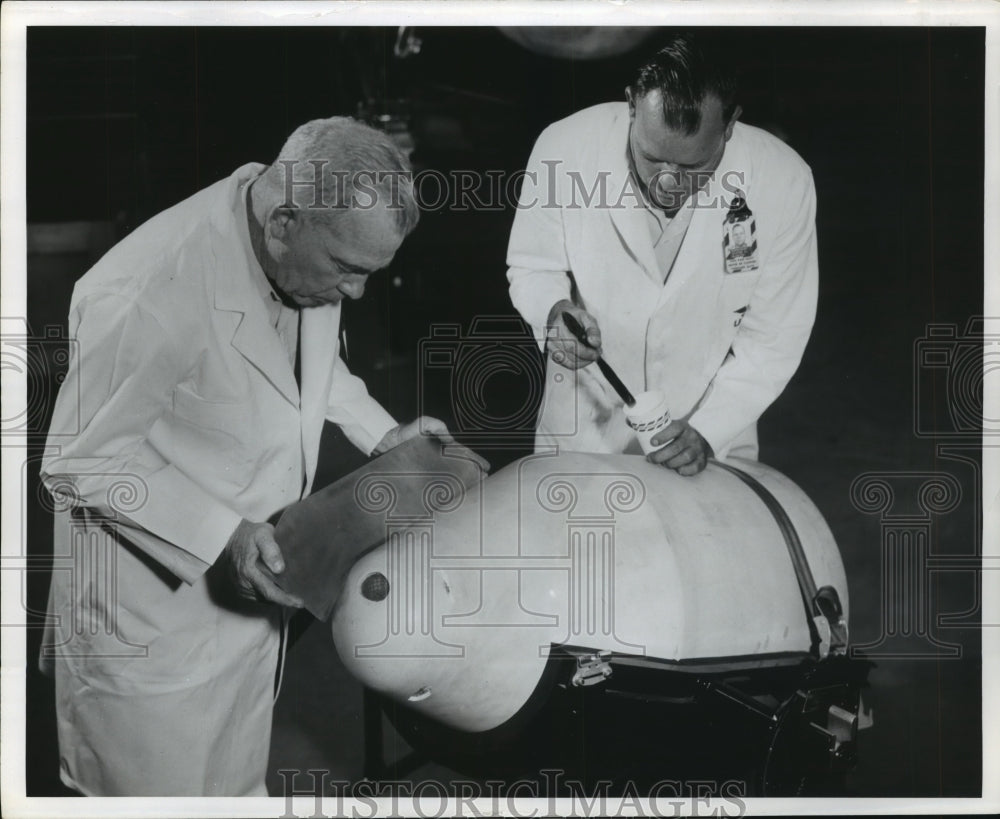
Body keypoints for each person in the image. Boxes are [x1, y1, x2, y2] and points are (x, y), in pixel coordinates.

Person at [39, 116, 448, 796]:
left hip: (247, 607)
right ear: (285, 221)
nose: (357, 294)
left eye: (371, 273)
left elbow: (308, 372)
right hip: (150, 630)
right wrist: (223, 533)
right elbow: (79, 459)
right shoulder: (150, 289)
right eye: (350, 270)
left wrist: (382, 434)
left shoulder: (304, 245)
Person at [507, 33, 818, 475]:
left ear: (729, 126)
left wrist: (709, 430)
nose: (668, 183)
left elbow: (775, 335)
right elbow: (532, 265)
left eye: (693, 168)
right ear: (633, 105)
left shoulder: (783, 181)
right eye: (651, 158)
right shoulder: (566, 147)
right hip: (583, 432)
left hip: (707, 433)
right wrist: (553, 312)